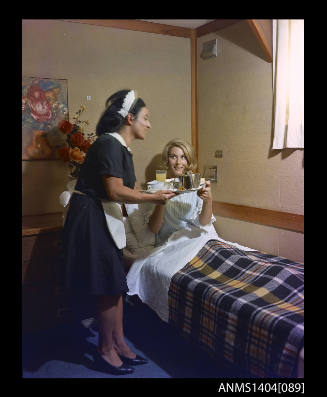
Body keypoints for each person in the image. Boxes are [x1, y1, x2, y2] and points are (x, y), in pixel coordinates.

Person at [62, 89, 175, 375]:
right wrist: (155, 199)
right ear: (129, 118)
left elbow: (128, 190)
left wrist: (155, 196)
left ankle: (120, 344)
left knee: (115, 285)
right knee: (107, 286)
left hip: (102, 215)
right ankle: (105, 349)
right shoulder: (109, 145)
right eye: (145, 118)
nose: (149, 124)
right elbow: (114, 190)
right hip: (90, 216)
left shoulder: (122, 148)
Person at [148, 138, 214, 244]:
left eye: (183, 157)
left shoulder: (195, 184)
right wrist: (160, 203)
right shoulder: (157, 186)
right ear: (167, 160)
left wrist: (208, 200)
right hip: (171, 243)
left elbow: (204, 222)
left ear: (188, 160)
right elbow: (154, 229)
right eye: (173, 157)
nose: (178, 162)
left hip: (195, 239)